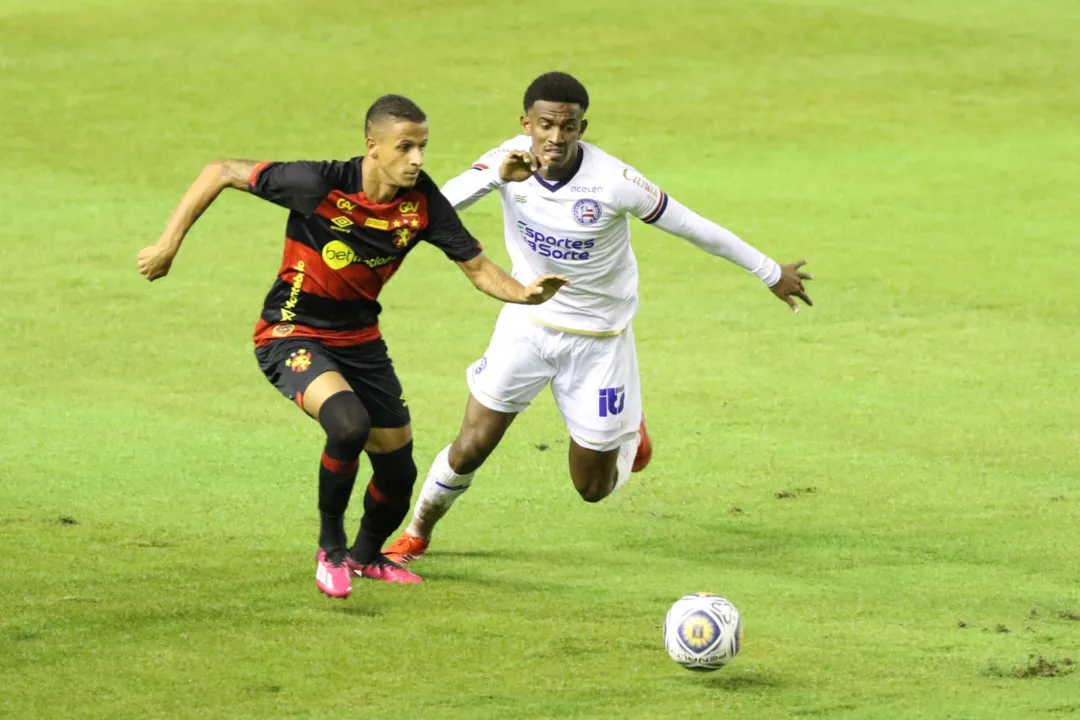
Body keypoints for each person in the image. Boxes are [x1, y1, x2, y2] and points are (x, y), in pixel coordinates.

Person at [136, 94, 567, 598]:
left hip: (361, 340)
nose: (417, 159)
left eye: (423, 147)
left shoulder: (422, 203)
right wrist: (168, 245)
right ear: (373, 147)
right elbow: (221, 170)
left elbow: (477, 268)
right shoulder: (318, 183)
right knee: (348, 423)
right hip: (290, 331)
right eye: (405, 147)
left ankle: (366, 556)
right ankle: (331, 549)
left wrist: (525, 293)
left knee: (398, 471)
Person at [384, 72, 812, 565]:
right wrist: (499, 176)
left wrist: (768, 271)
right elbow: (437, 205)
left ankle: (631, 434)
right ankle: (416, 532)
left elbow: (692, 226)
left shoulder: (615, 183)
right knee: (471, 445)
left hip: (599, 342)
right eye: (545, 125)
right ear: (527, 123)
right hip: (527, 325)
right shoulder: (507, 160)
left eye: (568, 127)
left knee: (592, 489)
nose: (556, 137)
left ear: (582, 127)